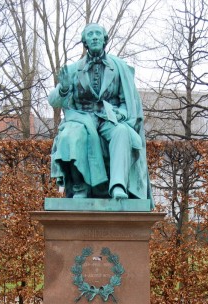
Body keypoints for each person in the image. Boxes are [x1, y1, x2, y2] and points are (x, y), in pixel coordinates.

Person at [48, 23, 152, 203]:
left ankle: (118, 185)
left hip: (109, 119)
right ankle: (80, 187)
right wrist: (64, 88)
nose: (95, 37)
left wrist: (121, 113)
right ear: (85, 42)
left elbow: (129, 103)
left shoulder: (119, 67)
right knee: (70, 136)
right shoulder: (73, 70)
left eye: (98, 34)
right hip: (81, 118)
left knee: (122, 132)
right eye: (90, 34)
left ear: (105, 40)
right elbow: (54, 101)